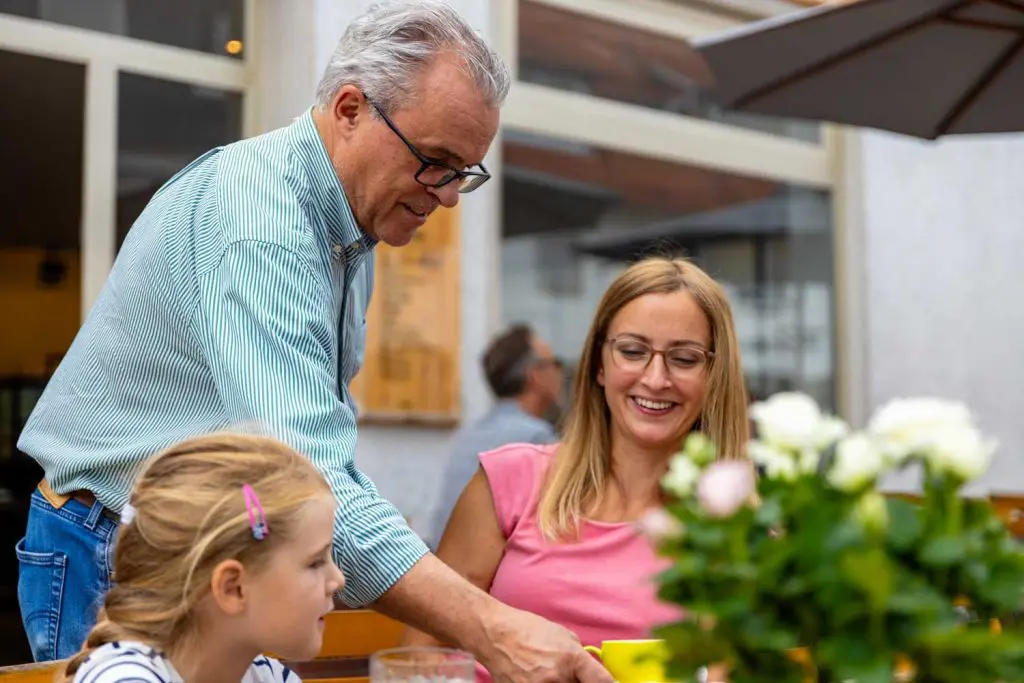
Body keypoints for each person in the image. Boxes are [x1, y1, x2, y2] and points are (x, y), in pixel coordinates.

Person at [14, 2, 611, 682]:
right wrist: (492, 626)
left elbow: (311, 470)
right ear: (351, 108)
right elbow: (308, 476)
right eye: (435, 162)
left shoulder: (350, 219)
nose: (447, 197)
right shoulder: (262, 221)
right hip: (119, 549)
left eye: (465, 172)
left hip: (211, 551)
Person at [404, 257, 749, 683]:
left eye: (684, 358)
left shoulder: (736, 526)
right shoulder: (509, 481)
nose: (656, 378)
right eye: (633, 351)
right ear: (599, 364)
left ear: (715, 374)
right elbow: (419, 658)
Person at [59, 433, 341, 682]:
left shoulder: (268, 675)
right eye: (315, 562)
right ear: (233, 588)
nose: (338, 579)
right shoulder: (121, 678)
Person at [431, 324, 563, 545]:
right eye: (555, 364)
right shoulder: (536, 440)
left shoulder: (469, 434)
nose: (561, 372)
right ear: (535, 375)